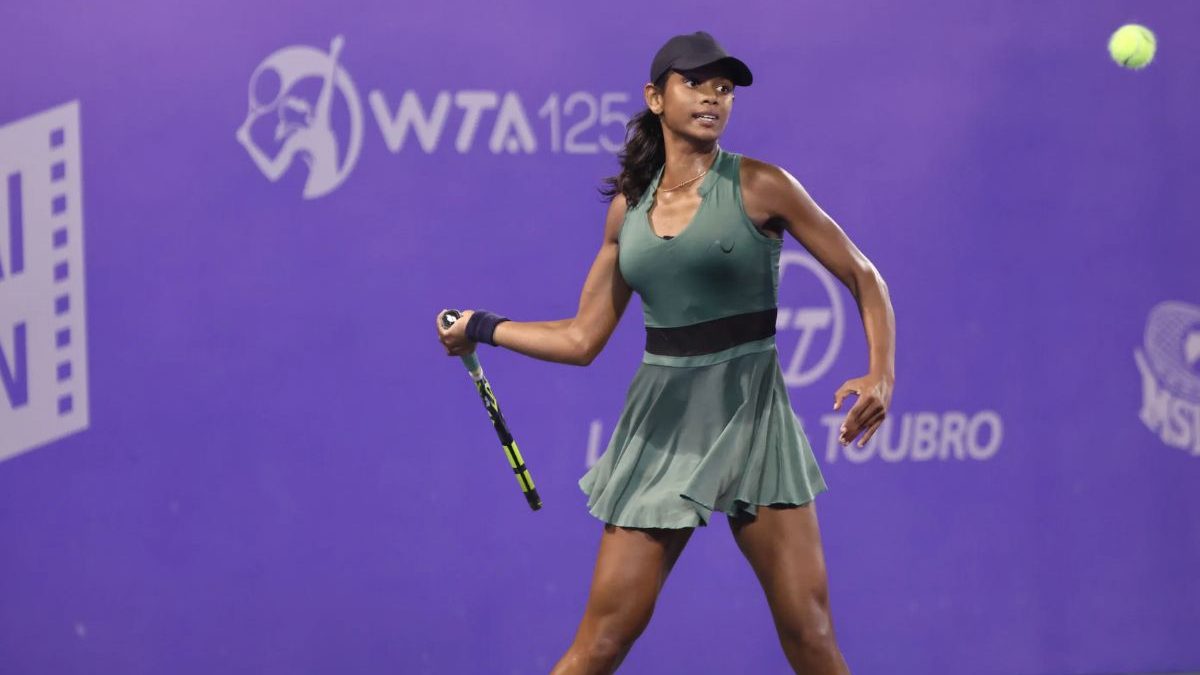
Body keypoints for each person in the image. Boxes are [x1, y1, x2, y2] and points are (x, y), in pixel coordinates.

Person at [437, 31, 895, 675]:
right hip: (663, 429)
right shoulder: (628, 211)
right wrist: (482, 326)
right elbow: (582, 338)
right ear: (655, 97)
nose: (713, 97)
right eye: (695, 83)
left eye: (725, 88)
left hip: (754, 422)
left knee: (812, 636)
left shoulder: (762, 185)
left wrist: (882, 372)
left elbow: (863, 277)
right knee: (599, 644)